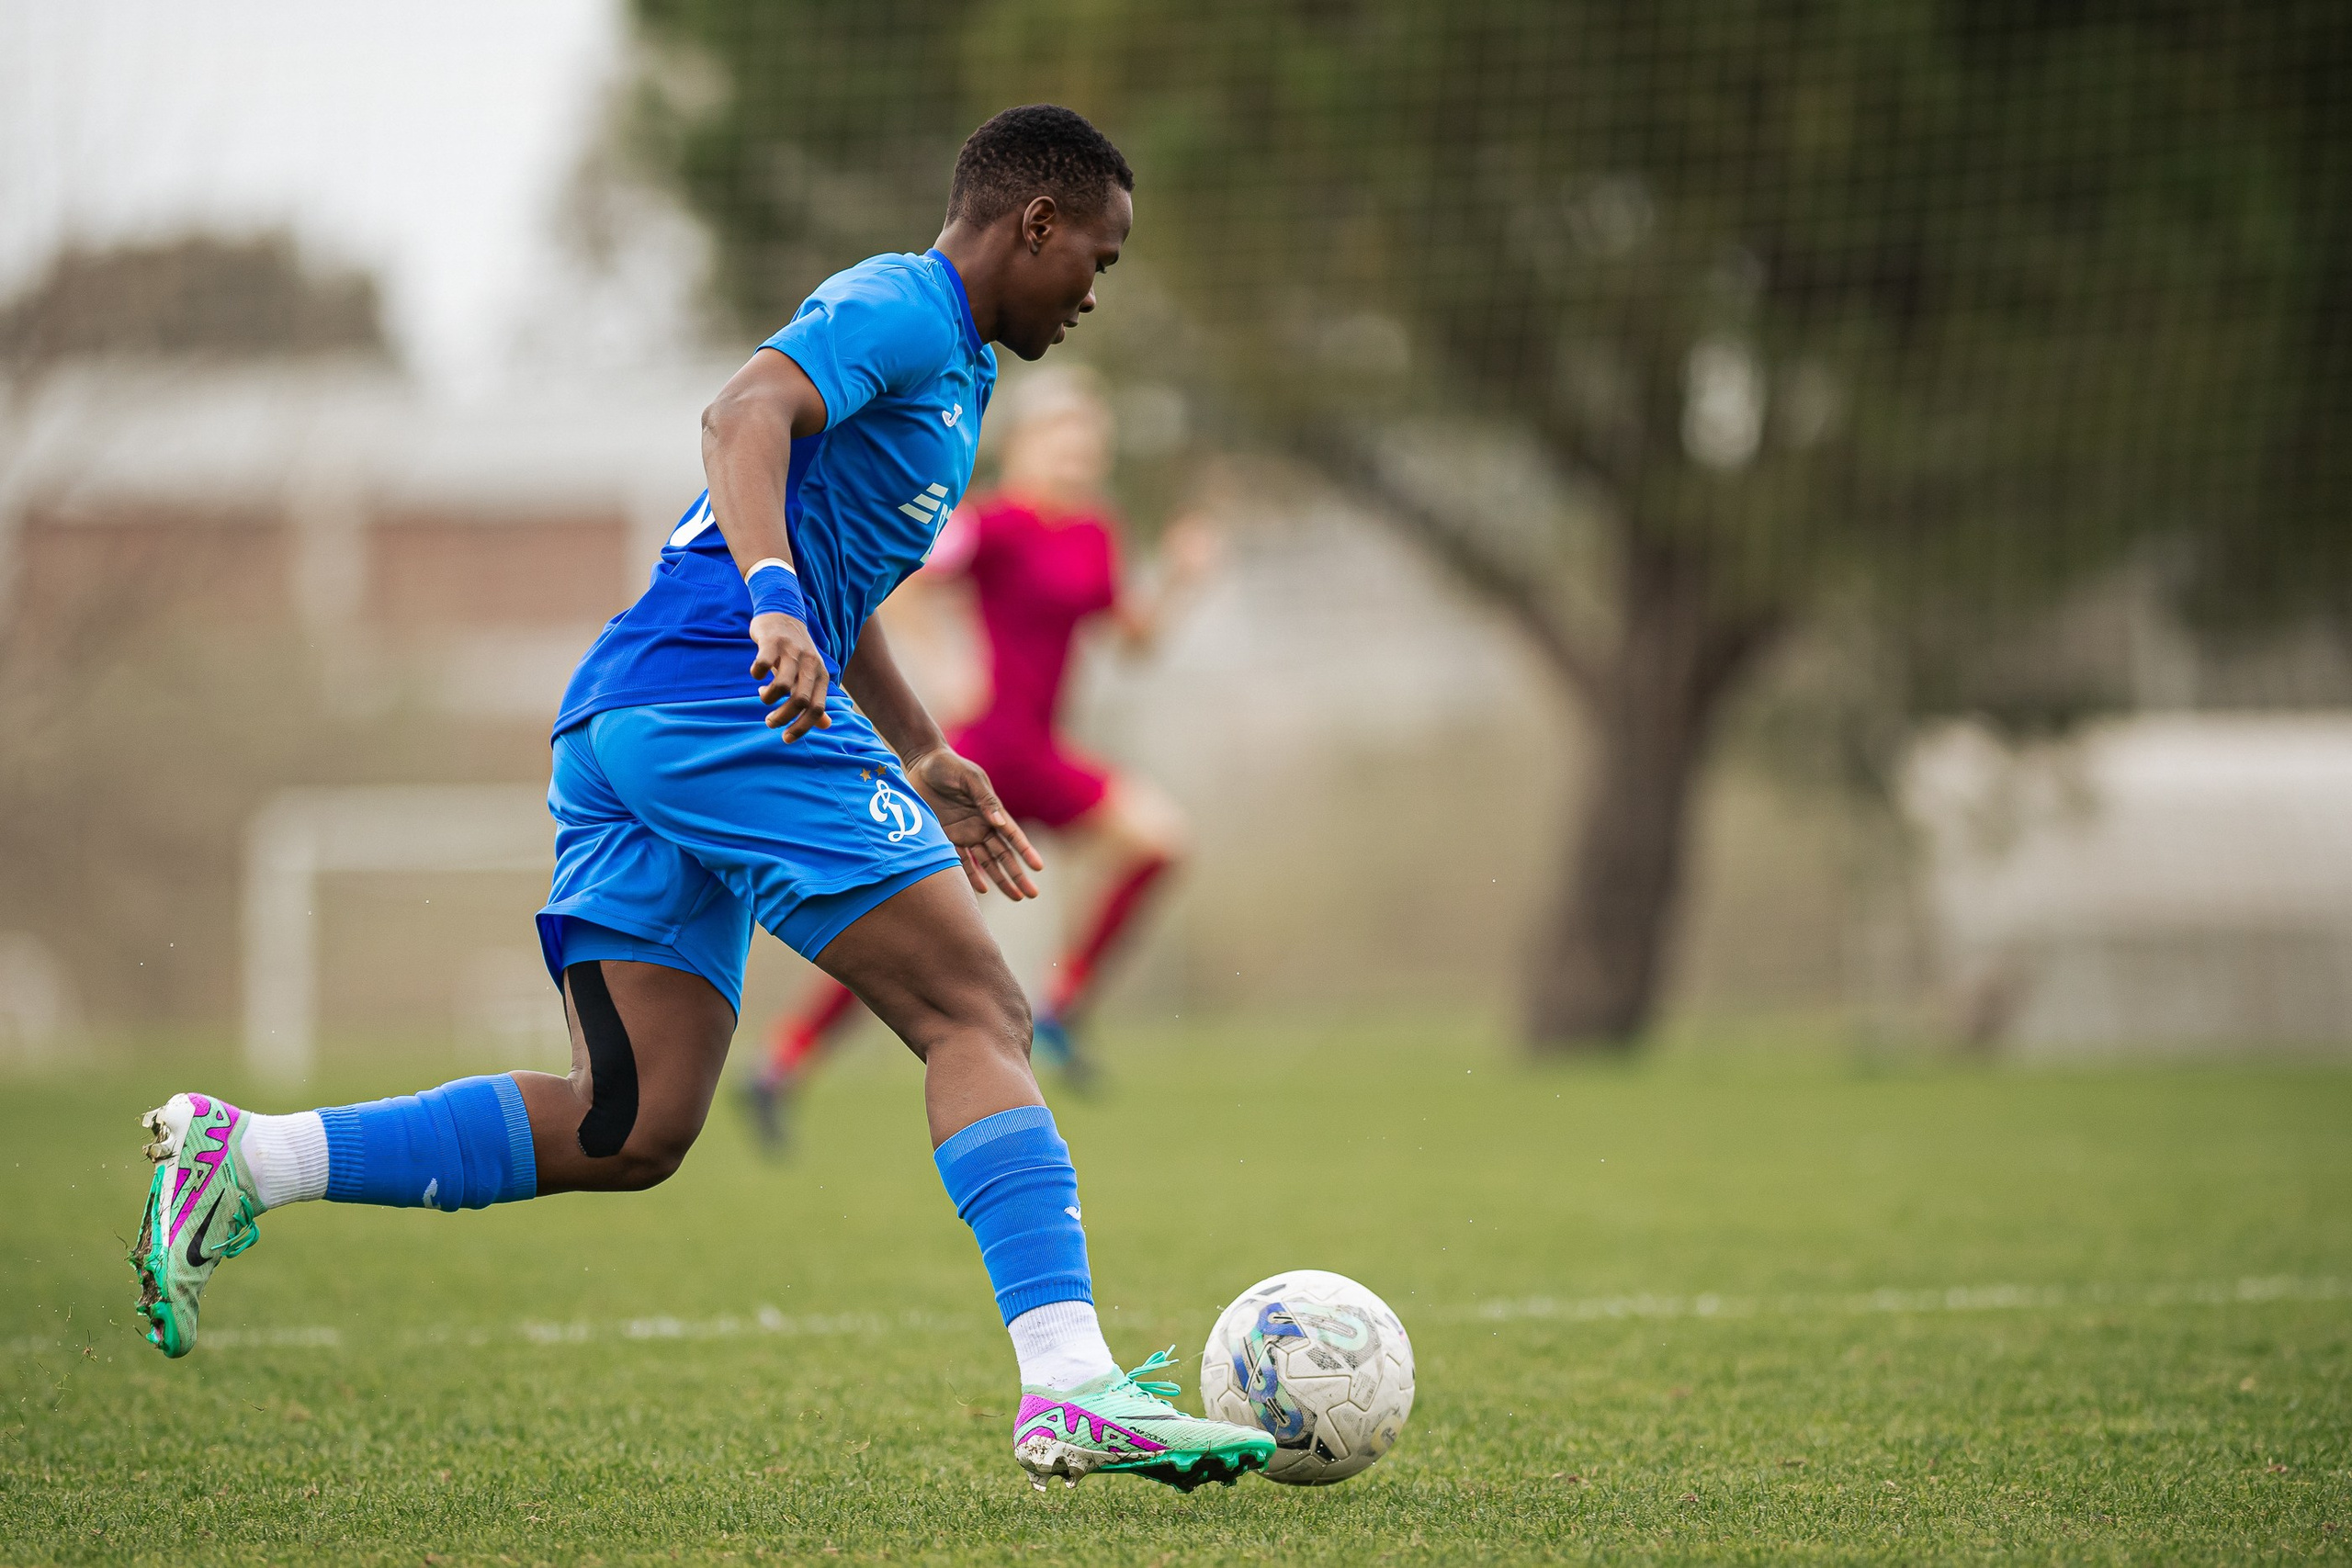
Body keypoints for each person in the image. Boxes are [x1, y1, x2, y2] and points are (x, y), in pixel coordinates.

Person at [126, 104, 1274, 1494]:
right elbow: (742, 413)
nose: (1097, 290)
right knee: (975, 1010)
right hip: (717, 700)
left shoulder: (957, 372)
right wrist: (773, 601)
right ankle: (1073, 1385)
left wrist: (917, 744)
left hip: (633, 720)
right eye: (1096, 256)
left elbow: (835, 568)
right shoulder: (900, 303)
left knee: (632, 1122)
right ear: (1034, 223)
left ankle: (249, 1156)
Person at [744, 368, 1216, 1149]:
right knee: (911, 936)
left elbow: (1132, 641)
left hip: (1042, 756)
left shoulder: (1096, 531)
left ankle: (1062, 1005)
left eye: (1089, 446)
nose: (1077, 458)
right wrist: (945, 667)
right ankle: (781, 1063)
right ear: (1024, 447)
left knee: (1162, 842)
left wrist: (1181, 584)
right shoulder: (991, 524)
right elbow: (899, 588)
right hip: (978, 762)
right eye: (1062, 441)